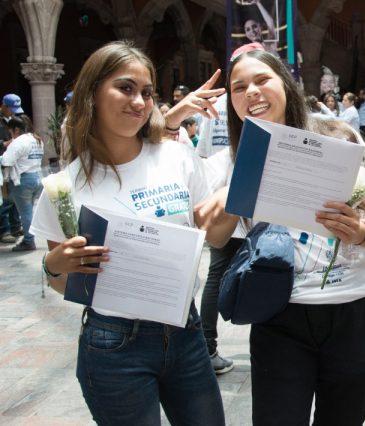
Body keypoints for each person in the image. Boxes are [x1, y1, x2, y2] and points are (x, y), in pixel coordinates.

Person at [196, 48, 365, 425]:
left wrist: (362, 230)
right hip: (278, 311)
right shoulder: (227, 162)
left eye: (261, 80)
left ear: (285, 85)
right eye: (239, 87)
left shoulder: (337, 135)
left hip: (355, 306)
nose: (251, 92)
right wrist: (233, 193)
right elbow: (216, 237)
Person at [29, 41, 226, 425]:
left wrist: (232, 196)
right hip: (113, 344)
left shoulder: (177, 156)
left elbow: (213, 233)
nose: (139, 101)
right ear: (92, 93)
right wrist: (53, 268)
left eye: (147, 92)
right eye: (126, 88)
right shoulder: (64, 188)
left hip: (185, 332)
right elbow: (65, 281)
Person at [0, 116, 43, 251]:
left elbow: (6, 161)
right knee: (26, 210)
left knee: (25, 212)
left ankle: (29, 241)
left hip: (22, 181)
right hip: (36, 177)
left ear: (16, 129)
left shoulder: (18, 142)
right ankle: (25, 236)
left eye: (10, 131)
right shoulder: (36, 139)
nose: (10, 135)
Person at [0, 93, 24, 243]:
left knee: (14, 198)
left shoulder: (17, 119)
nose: (13, 112)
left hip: (14, 165)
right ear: (4, 106)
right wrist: (8, 142)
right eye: (11, 109)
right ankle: (4, 230)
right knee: (5, 199)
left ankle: (15, 226)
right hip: (3, 162)